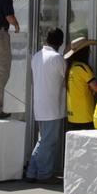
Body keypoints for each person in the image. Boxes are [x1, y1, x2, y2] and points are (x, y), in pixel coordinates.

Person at [26, 28, 67, 183]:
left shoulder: (36, 56)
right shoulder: (57, 58)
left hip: (40, 105)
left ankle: (32, 172)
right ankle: (44, 174)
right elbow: (66, 76)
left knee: (43, 140)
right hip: (52, 106)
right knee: (48, 142)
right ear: (60, 42)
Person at [64, 37, 97, 131]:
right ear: (84, 52)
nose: (90, 52)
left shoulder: (70, 68)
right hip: (84, 116)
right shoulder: (82, 68)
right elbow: (96, 88)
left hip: (72, 116)